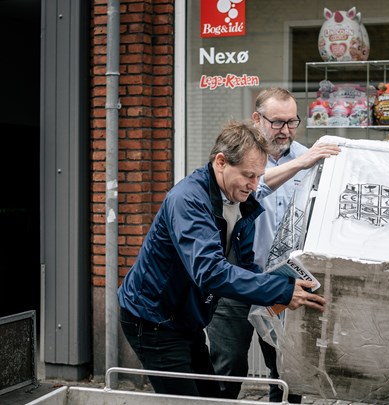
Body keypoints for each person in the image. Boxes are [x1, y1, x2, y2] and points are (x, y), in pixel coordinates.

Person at [117, 120, 326, 399]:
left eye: (259, 176)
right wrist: (281, 291)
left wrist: (284, 287)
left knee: (210, 397)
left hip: (186, 317)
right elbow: (209, 271)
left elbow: (246, 264)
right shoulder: (188, 200)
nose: (255, 185)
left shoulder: (238, 199)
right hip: (154, 319)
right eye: (248, 175)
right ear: (220, 162)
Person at [206, 88, 341, 402]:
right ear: (257, 119)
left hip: (285, 283)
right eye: (277, 122)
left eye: (292, 122)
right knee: (227, 369)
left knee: (286, 372)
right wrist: (299, 164)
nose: (286, 130)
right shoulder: (239, 159)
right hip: (236, 280)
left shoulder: (312, 160)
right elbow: (252, 191)